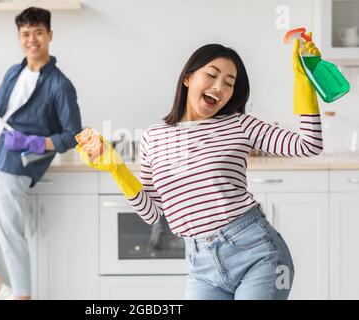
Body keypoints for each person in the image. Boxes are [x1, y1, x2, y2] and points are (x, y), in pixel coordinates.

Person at [76, 36, 322, 300]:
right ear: (188, 78)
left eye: (229, 83)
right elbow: (152, 213)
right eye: (212, 75)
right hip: (201, 265)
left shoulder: (239, 124)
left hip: (257, 252)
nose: (219, 87)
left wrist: (305, 83)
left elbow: (309, 145)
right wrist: (116, 168)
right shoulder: (153, 136)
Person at [0, 7, 82, 300]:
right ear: (19, 37)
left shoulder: (60, 85)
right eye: (25, 34)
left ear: (49, 35)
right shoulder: (14, 71)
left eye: (38, 33)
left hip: (12, 167)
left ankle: (23, 297)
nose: (31, 39)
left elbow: (72, 136)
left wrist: (35, 143)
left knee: (11, 239)